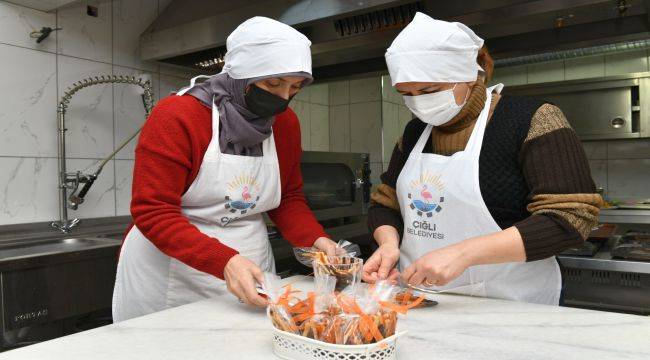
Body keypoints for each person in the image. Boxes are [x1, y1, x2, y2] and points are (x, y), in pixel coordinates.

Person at [362, 13, 602, 305]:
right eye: (407, 94)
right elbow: (385, 204)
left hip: (511, 304)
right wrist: (388, 244)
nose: (419, 102)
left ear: (470, 75)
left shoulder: (531, 119)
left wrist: (463, 254)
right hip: (418, 298)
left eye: (429, 91)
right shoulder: (415, 133)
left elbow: (570, 218)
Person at [112, 17, 338, 322]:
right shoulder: (178, 116)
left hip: (251, 264)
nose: (284, 97)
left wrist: (315, 240)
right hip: (173, 272)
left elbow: (287, 198)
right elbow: (153, 211)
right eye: (273, 83)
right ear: (241, 75)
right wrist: (225, 261)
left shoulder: (285, 124)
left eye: (295, 87)